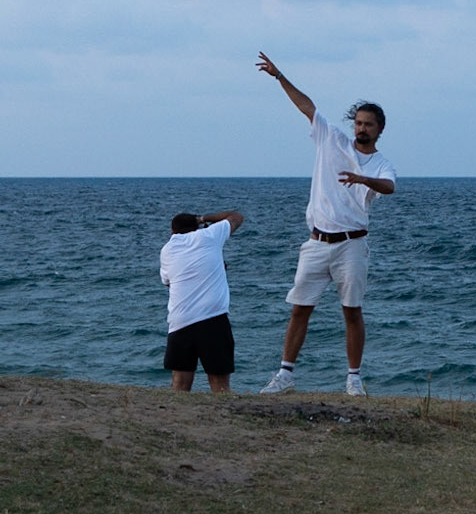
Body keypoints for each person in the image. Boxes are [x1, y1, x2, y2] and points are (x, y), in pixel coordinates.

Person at [255, 51, 396, 396]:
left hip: (352, 244)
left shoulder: (379, 164)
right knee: (300, 309)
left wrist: (363, 179)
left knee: (352, 312)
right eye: (359, 123)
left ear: (380, 129)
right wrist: (279, 76)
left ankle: (353, 379)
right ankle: (285, 375)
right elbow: (307, 106)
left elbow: (389, 186)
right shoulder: (331, 138)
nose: (361, 128)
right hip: (317, 242)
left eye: (368, 124)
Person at [160, 209, 244, 393]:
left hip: (179, 322)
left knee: (180, 385)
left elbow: (168, 283)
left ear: (173, 232)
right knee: (220, 386)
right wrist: (203, 218)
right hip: (213, 319)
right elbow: (237, 217)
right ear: (197, 228)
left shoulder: (167, 250)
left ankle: (178, 420)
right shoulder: (209, 235)